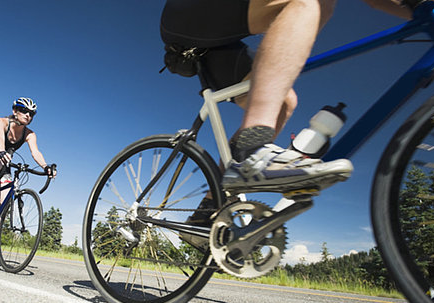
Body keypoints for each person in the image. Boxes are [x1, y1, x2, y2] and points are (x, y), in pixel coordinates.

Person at [160, 0, 413, 194]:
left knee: (283, 101)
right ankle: (252, 149)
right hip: (187, 14)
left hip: (221, 44)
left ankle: (210, 207)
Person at [0, 97, 56, 255]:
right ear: (15, 111)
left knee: (4, 203)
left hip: (3, 166)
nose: (27, 115)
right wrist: (1, 151)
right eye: (24, 111)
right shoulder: (2, 122)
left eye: (31, 113)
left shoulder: (29, 134)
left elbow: (35, 152)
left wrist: (46, 167)